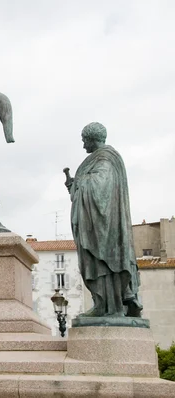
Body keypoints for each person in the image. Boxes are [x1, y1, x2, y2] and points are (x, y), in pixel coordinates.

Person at [66, 122, 142, 317]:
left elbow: (101, 187)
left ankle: (110, 306)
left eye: (84, 141)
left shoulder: (106, 158)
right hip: (98, 224)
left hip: (105, 228)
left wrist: (80, 183)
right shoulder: (100, 159)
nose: (83, 146)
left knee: (102, 263)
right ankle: (103, 304)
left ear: (92, 139)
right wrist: (74, 186)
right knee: (96, 263)